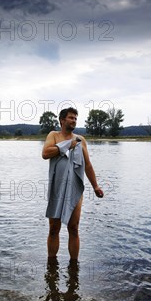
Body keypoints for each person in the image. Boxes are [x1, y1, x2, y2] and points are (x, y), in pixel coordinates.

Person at [42, 107, 104, 260]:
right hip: (57, 189)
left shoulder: (80, 140)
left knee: (74, 228)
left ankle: (74, 265)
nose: (74, 120)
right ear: (62, 120)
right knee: (54, 229)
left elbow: (88, 165)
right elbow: (45, 153)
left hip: (75, 189)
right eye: (71, 117)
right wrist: (66, 145)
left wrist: (95, 186)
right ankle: (51, 264)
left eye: (75, 118)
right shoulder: (54, 135)